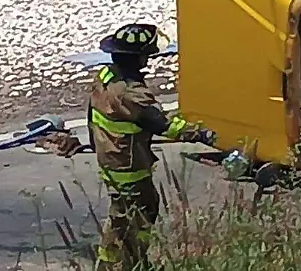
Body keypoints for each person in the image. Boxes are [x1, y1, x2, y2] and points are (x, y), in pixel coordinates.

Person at [87, 23, 217, 271]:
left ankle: (111, 262)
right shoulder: (132, 93)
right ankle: (132, 261)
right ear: (138, 57)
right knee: (141, 213)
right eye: (146, 54)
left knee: (119, 217)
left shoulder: (106, 76)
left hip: (109, 159)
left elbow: (92, 112)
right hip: (129, 165)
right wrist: (202, 134)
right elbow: (161, 124)